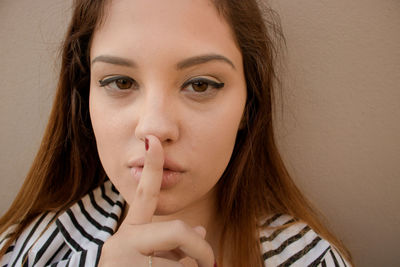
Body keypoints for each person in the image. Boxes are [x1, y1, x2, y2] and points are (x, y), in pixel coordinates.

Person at [0, 0, 353, 266]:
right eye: (120, 82)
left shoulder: (315, 260)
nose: (154, 127)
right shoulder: (27, 249)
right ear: (84, 96)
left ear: (249, 105)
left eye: (200, 84)